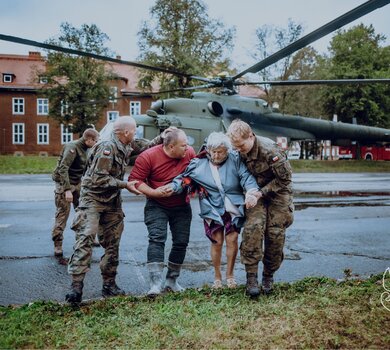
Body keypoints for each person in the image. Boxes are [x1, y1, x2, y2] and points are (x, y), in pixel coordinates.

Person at [65, 116, 162, 303]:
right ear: (126, 132)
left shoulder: (126, 144)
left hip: (112, 201)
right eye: (134, 130)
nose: (136, 133)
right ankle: (76, 287)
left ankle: (109, 285)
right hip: (92, 199)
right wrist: (125, 184)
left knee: (112, 243)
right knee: (85, 239)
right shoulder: (107, 148)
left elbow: (145, 146)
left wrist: (162, 137)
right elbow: (98, 179)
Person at [169, 132, 261, 289]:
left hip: (233, 207)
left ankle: (230, 276)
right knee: (217, 242)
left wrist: (252, 192)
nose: (216, 155)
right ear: (208, 149)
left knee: (232, 240)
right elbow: (183, 179)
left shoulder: (235, 159)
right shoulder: (198, 164)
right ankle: (217, 277)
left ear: (227, 150)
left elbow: (246, 178)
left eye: (220, 151)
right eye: (213, 151)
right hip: (212, 208)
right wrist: (172, 187)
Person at [227, 119, 294, 297]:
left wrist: (261, 192)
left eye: (241, 146)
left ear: (251, 136)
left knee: (274, 232)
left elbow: (285, 179)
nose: (239, 150)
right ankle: (251, 278)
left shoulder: (270, 150)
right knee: (253, 228)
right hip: (253, 192)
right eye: (236, 147)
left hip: (277, 192)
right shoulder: (237, 149)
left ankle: (268, 276)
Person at [128, 128, 196, 296]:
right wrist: (154, 192)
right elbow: (135, 181)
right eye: (183, 145)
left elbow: (194, 174)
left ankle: (172, 281)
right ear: (171, 146)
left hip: (181, 205)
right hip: (156, 204)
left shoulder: (189, 153)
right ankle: (155, 284)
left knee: (181, 242)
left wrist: (184, 185)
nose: (187, 148)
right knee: (157, 239)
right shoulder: (148, 156)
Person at [51, 128, 99, 263]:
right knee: (62, 214)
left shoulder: (87, 148)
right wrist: (66, 190)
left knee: (84, 211)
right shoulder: (72, 147)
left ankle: (86, 238)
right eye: (95, 141)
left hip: (77, 183)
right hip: (64, 183)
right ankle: (58, 244)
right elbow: (63, 169)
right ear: (88, 139)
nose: (96, 143)